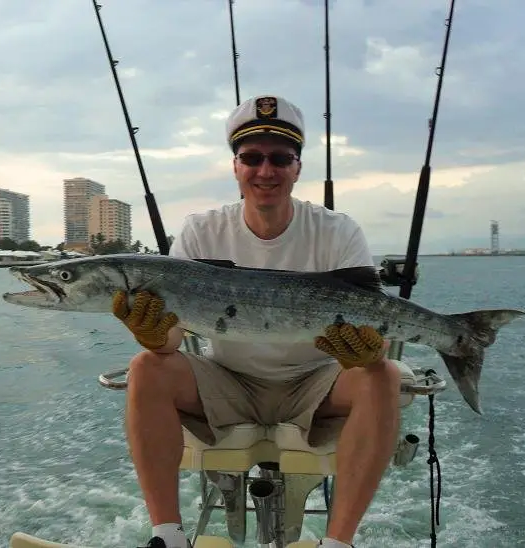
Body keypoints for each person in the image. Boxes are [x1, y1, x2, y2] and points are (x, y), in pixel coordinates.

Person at [113, 95, 402, 548]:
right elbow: (170, 339)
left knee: (381, 375)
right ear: (235, 166)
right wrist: (151, 334)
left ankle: (338, 542)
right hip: (228, 382)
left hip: (316, 382)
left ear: (297, 167)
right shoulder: (199, 231)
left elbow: (372, 329)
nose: (265, 171)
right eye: (252, 158)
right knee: (146, 366)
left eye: (280, 158)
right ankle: (167, 536)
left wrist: (371, 352)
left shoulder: (338, 231)